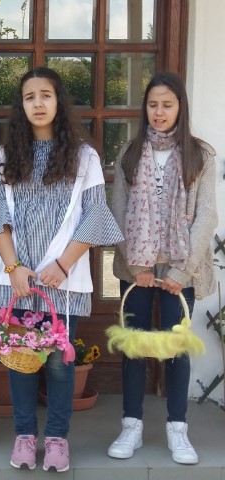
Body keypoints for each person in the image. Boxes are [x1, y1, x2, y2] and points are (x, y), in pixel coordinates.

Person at [0, 67, 123, 472]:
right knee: (19, 358)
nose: (38, 103)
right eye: (29, 97)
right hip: (18, 280)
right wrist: (13, 267)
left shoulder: (83, 156)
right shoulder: (9, 155)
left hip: (62, 281)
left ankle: (56, 439)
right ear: (21, 106)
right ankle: (24, 436)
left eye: (45, 95)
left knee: (58, 362)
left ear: (59, 102)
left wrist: (63, 263)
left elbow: (95, 215)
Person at [107, 72, 217, 465]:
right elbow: (118, 209)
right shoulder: (130, 152)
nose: (159, 112)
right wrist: (137, 264)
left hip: (179, 265)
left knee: (176, 347)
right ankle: (131, 426)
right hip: (136, 267)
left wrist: (181, 273)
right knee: (133, 345)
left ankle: (178, 429)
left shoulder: (200, 154)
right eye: (153, 104)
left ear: (180, 107)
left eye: (167, 104)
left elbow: (206, 217)